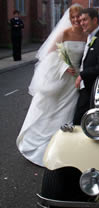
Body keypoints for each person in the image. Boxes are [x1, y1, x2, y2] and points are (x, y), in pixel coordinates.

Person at [16, 4, 87, 167]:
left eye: (78, 17)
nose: (76, 20)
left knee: (68, 112)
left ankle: (63, 147)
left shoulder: (86, 35)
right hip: (63, 77)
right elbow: (49, 55)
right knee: (52, 109)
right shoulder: (64, 33)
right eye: (73, 17)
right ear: (70, 19)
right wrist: (64, 67)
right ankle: (39, 143)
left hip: (76, 80)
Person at [73, 8, 99, 125]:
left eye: (84, 20)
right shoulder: (91, 37)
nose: (81, 23)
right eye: (80, 21)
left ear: (95, 20)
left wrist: (82, 75)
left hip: (91, 89)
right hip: (84, 87)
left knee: (79, 121)